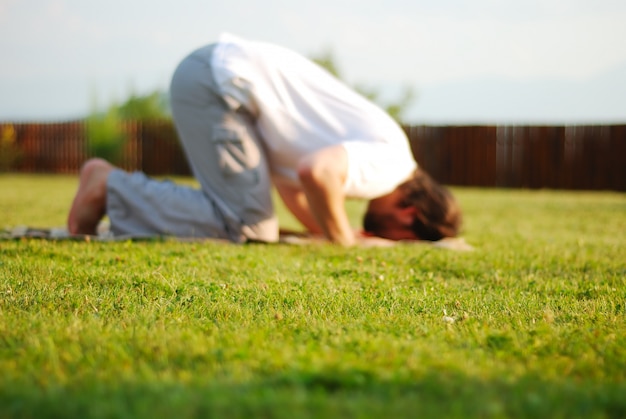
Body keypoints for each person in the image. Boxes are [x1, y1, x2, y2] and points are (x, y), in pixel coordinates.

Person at [68, 33, 462, 246]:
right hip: (221, 85)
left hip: (218, 77)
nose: (384, 236)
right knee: (246, 226)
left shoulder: (389, 153)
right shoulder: (392, 166)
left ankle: (112, 188)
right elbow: (317, 172)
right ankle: (108, 187)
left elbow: (296, 188)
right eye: (401, 239)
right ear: (411, 215)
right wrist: (344, 240)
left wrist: (326, 231)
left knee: (256, 222)